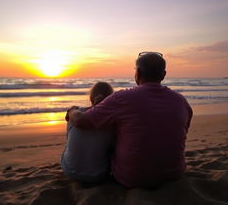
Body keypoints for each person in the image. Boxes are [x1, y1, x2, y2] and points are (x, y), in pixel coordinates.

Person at [68, 52, 193, 188]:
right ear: (163, 74)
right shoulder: (181, 101)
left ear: (137, 73)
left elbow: (81, 122)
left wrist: (72, 111)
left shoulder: (122, 98)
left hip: (132, 178)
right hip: (174, 175)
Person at [60, 82, 114, 183]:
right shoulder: (112, 120)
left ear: (91, 97)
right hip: (99, 175)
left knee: (68, 144)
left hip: (70, 171)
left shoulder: (74, 112)